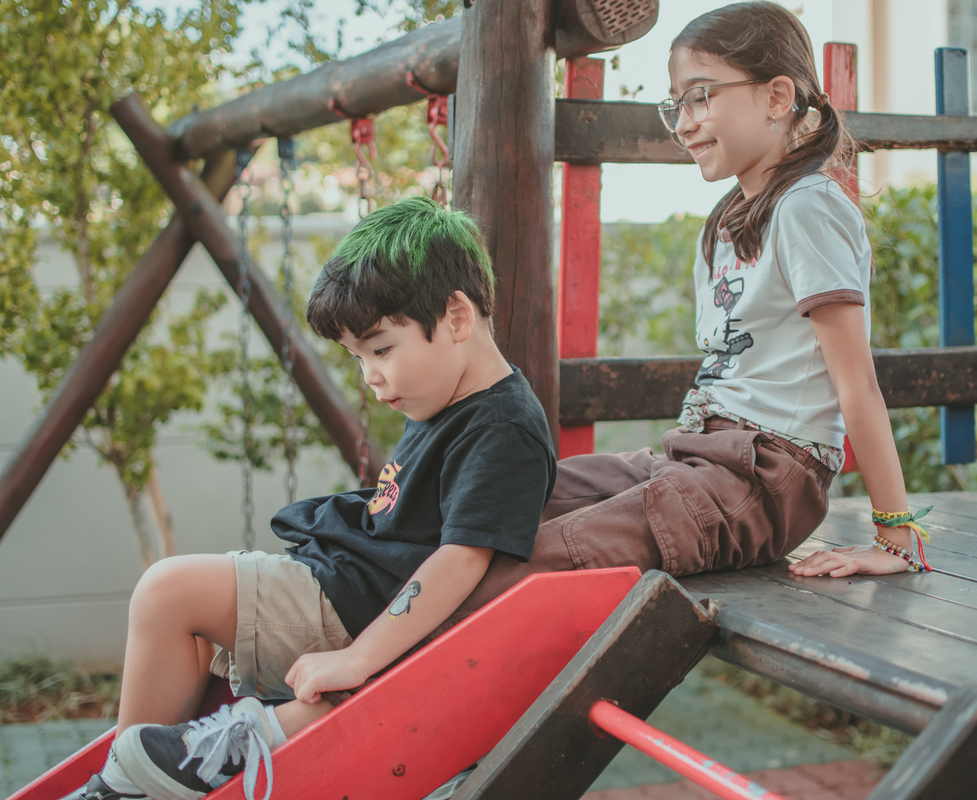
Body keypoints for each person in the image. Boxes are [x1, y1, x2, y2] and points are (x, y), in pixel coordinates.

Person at [422, 0, 933, 640]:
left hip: (764, 477)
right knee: (495, 497)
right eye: (676, 106)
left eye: (699, 98)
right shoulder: (729, 220)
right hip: (698, 457)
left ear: (777, 96)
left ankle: (357, 698)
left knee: (507, 571)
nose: (683, 123)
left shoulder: (809, 207)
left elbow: (857, 385)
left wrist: (894, 534)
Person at [75, 197, 556, 800]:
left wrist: (358, 661)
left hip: (353, 609)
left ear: (457, 317)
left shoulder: (502, 428)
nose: (371, 377)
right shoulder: (446, 397)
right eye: (358, 359)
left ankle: (126, 789)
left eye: (381, 350)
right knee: (186, 620)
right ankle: (152, 772)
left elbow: (461, 559)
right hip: (340, 582)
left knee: (166, 593)